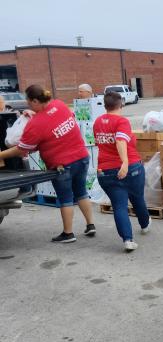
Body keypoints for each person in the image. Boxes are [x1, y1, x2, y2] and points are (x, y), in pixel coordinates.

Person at [0, 85, 96, 242]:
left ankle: (68, 233)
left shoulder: (36, 124)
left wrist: (1, 155)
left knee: (65, 198)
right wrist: (35, 115)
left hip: (62, 164)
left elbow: (21, 149)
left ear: (36, 101)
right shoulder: (59, 105)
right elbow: (58, 123)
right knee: (81, 192)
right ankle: (90, 224)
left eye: (29, 103)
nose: (28, 105)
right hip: (82, 157)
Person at [94, 91, 151, 252]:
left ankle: (127, 239)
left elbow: (102, 142)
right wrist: (124, 162)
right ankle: (145, 224)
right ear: (121, 104)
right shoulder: (121, 121)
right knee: (137, 198)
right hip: (129, 168)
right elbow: (120, 140)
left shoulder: (98, 122)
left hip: (105, 171)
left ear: (105, 105)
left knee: (119, 205)